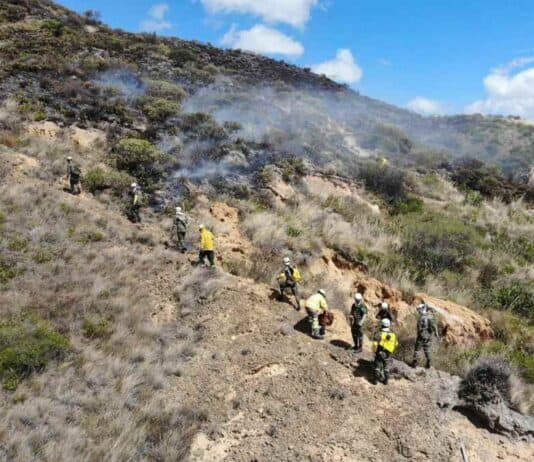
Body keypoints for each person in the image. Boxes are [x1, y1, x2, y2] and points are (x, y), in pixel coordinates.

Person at [412, 303, 439, 368]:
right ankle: (428, 362)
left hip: (421, 336)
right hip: (428, 336)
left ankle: (414, 363)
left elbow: (419, 328)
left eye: (419, 310)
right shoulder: (430, 317)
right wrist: (436, 334)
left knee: (417, 350)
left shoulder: (421, 318)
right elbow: (434, 326)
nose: (418, 311)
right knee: (427, 349)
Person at [372, 318, 398, 385]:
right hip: (388, 354)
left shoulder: (378, 333)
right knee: (386, 367)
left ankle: (375, 381)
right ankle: (386, 381)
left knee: (377, 366)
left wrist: (374, 351)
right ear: (388, 325)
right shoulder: (393, 334)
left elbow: (375, 344)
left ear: (382, 325)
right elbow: (396, 344)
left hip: (379, 352)